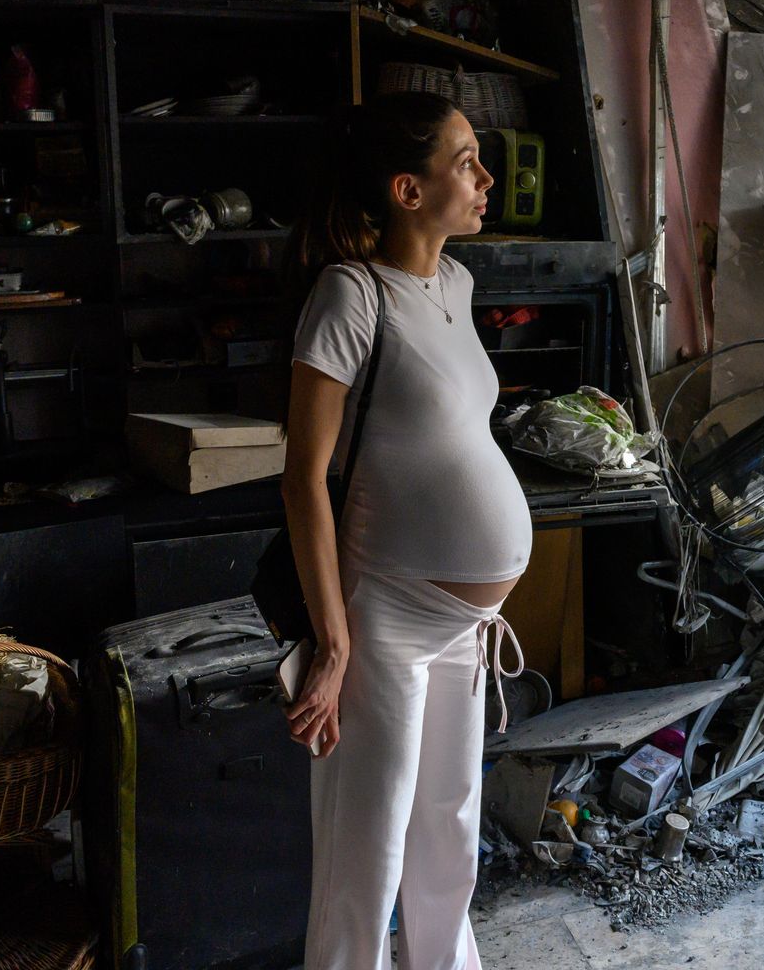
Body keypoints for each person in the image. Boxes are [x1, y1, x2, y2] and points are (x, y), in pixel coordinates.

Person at [283, 91, 531, 970]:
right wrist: (335, 644)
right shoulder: (350, 296)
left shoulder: (457, 284)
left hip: (463, 625)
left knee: (449, 837)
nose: (484, 175)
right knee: (367, 856)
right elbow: (303, 480)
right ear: (407, 190)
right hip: (383, 617)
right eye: (466, 160)